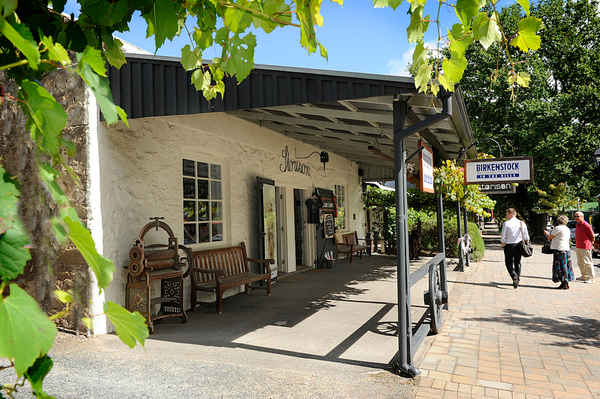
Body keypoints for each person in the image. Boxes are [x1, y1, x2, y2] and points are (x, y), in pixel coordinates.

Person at [500, 208, 530, 288]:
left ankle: (514, 276)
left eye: (507, 214)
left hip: (509, 245)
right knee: (517, 262)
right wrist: (527, 242)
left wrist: (502, 243)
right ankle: (517, 279)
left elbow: (503, 236)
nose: (506, 216)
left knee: (508, 262)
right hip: (519, 245)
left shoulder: (506, 223)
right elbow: (526, 236)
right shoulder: (521, 223)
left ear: (511, 214)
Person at [544, 215, 574, 289]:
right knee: (565, 266)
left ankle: (564, 283)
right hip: (566, 249)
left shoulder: (557, 228)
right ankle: (565, 282)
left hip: (559, 249)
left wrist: (546, 233)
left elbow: (549, 237)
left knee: (560, 267)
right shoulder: (567, 229)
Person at [574, 211, 595, 283]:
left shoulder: (586, 225)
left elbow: (592, 236)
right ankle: (584, 276)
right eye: (575, 216)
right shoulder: (577, 224)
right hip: (578, 246)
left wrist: (591, 243)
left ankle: (590, 278)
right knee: (580, 262)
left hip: (585, 246)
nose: (576, 218)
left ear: (582, 217)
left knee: (587, 262)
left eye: (578, 216)